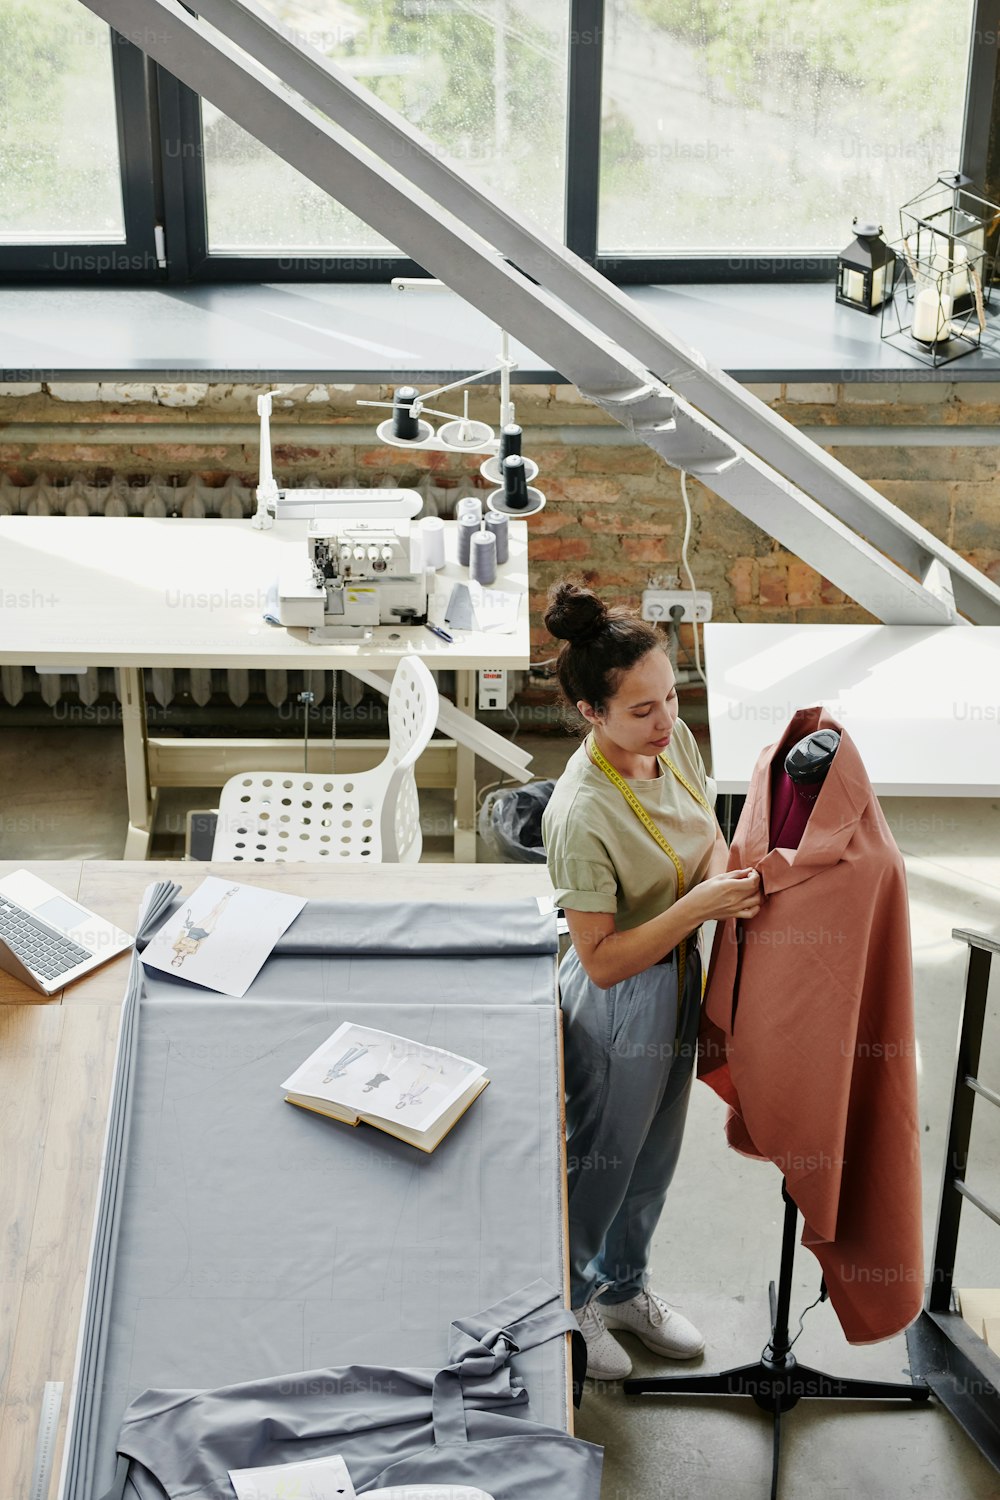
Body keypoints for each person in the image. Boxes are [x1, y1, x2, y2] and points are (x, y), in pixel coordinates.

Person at [541, 581, 761, 1380]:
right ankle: (568, 1304)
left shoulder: (673, 743)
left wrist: (719, 880)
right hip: (619, 998)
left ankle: (625, 1287)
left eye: (671, 696)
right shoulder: (578, 813)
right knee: (603, 1158)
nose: (666, 720)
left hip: (677, 978)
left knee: (655, 1157)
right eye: (641, 710)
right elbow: (599, 962)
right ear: (592, 714)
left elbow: (705, 834)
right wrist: (702, 903)